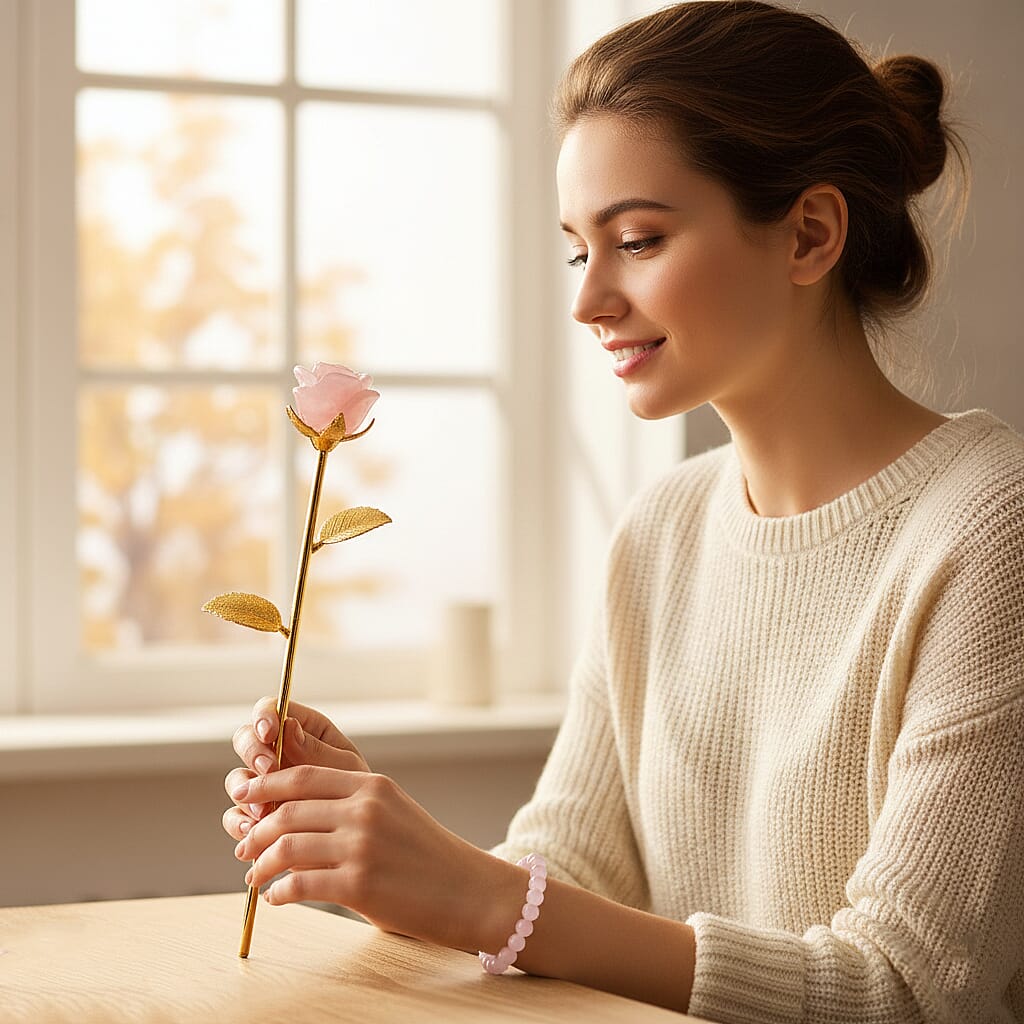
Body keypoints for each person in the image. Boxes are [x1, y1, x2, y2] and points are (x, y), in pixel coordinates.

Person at [221, 2, 1024, 1020]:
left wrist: (479, 891)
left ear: (810, 234)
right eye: (576, 250)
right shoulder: (662, 528)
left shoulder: (989, 524)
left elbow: (905, 991)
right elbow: (570, 877)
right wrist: (388, 860)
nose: (587, 298)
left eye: (636, 240)